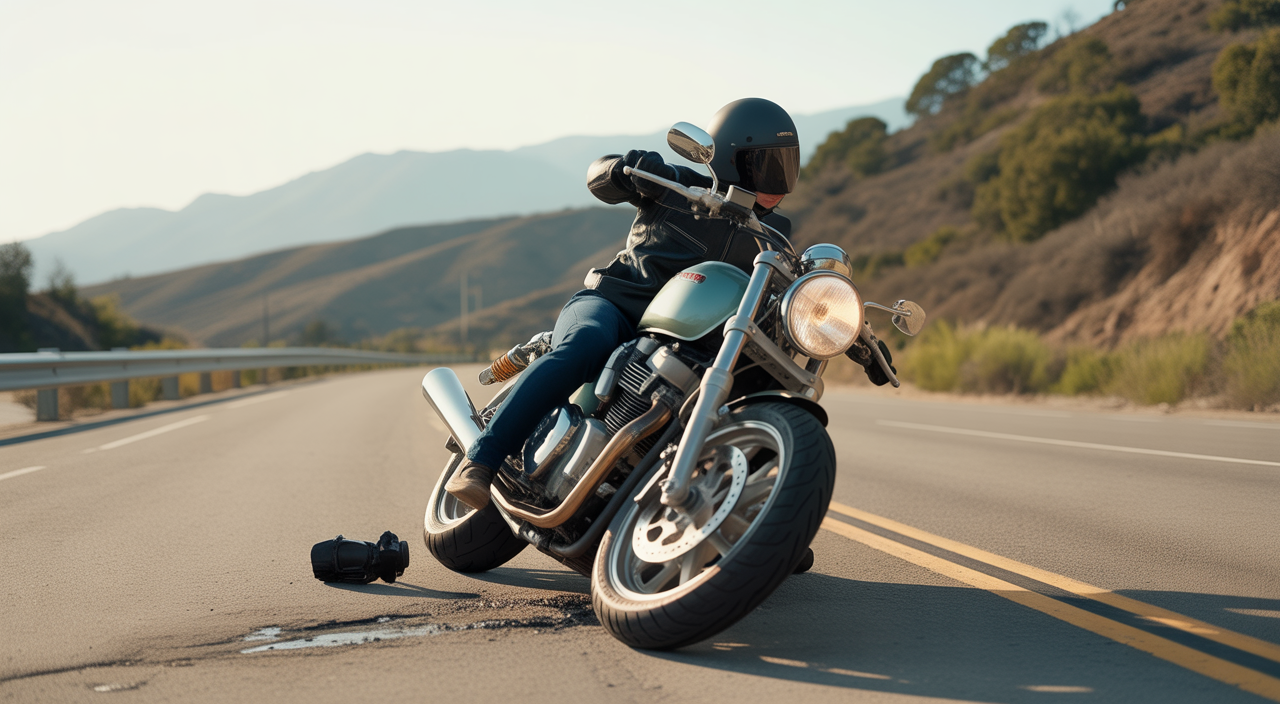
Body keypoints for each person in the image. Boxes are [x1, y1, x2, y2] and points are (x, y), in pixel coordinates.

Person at [446, 97, 803, 510]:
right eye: (765, 165)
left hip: (687, 342)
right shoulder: (678, 186)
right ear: (727, 160)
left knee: (752, 388)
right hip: (615, 306)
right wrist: (626, 169)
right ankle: (481, 460)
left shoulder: (776, 233)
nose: (777, 180)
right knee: (585, 344)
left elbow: (787, 287)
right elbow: (601, 177)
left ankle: (762, 511)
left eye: (785, 165)